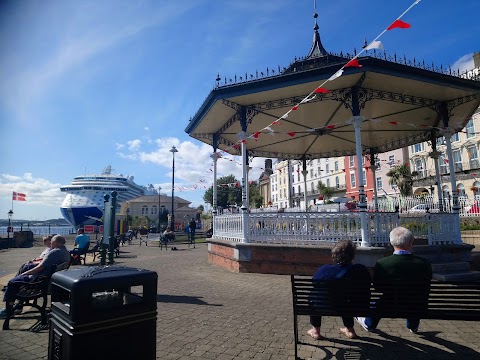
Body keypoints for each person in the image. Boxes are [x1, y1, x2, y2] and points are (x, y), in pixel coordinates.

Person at [355, 226, 432, 333]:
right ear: (411, 243)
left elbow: (378, 288)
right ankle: (413, 325)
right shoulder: (424, 263)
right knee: (413, 296)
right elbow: (426, 283)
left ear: (392, 243)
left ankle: (369, 323)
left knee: (381, 302)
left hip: (390, 305)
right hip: (417, 305)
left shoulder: (382, 263)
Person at [308, 240, 371, 340]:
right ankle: (350, 330)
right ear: (353, 255)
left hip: (325, 306)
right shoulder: (360, 270)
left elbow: (314, 283)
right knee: (346, 298)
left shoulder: (325, 270)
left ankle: (316, 331)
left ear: (334, 255)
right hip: (355, 307)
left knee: (314, 296)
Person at [0, 235, 71, 318]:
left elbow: (40, 268)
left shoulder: (54, 252)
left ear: (55, 242)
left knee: (12, 282)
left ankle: (9, 310)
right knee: (19, 277)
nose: (50, 243)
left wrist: (24, 274)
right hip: (48, 279)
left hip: (39, 280)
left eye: (51, 241)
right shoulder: (65, 251)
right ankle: (18, 306)